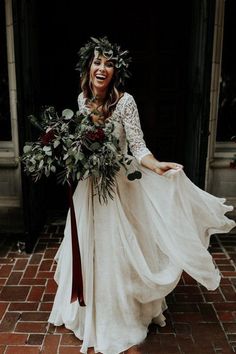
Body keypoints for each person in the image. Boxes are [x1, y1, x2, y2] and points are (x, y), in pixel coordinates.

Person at [48, 36, 235, 354]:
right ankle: (87, 310)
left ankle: (119, 314)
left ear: (115, 71)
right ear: (88, 67)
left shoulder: (125, 102)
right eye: (97, 61)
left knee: (117, 250)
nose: (102, 68)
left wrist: (157, 165)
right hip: (89, 188)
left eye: (108, 63)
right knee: (88, 248)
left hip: (117, 186)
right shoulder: (81, 102)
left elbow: (137, 146)